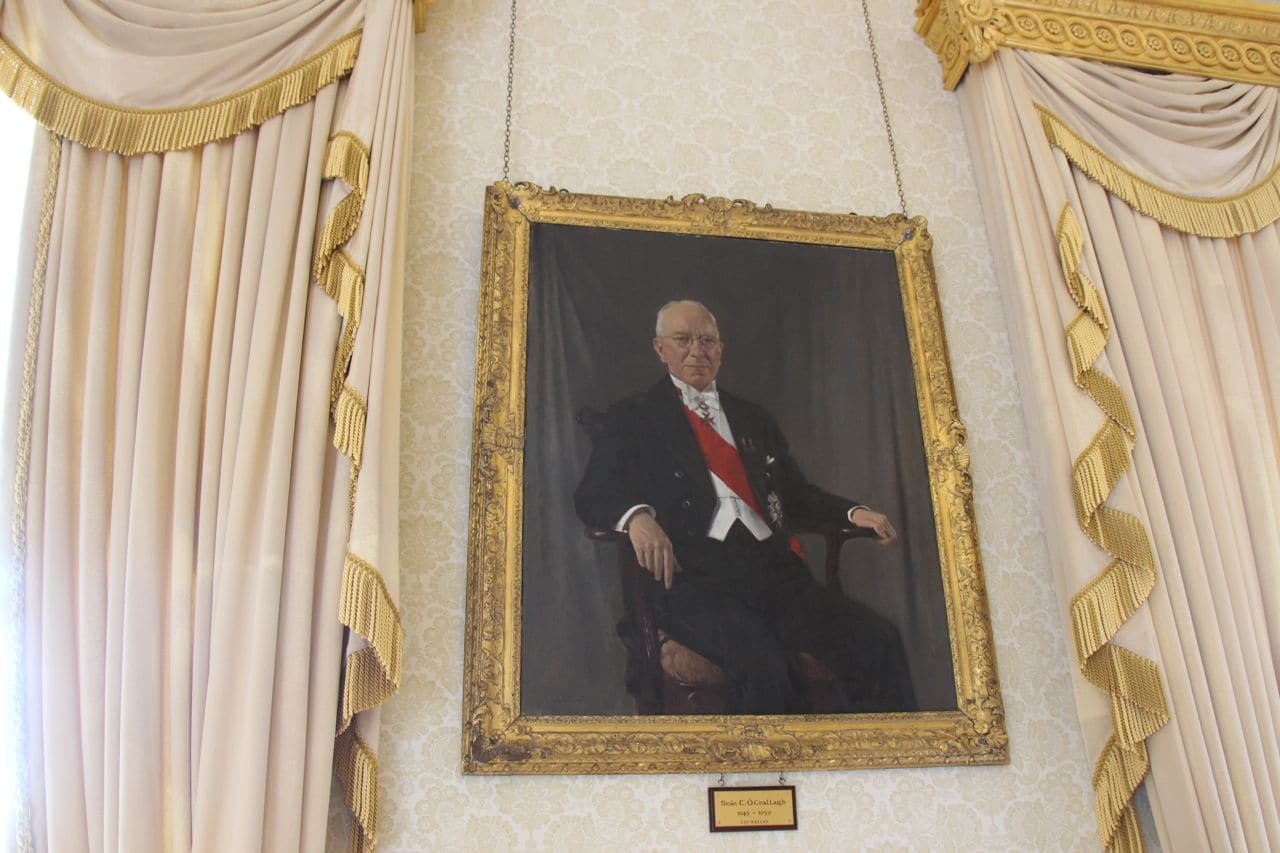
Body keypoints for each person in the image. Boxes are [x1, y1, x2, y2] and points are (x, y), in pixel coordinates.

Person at [574, 299, 917, 714]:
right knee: (763, 661)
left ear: (721, 350)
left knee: (877, 640)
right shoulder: (634, 417)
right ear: (660, 349)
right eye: (683, 340)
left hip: (774, 577)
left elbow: (795, 494)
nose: (697, 351)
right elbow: (594, 491)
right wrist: (636, 517)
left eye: (707, 341)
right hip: (693, 584)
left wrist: (850, 513)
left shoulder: (753, 418)